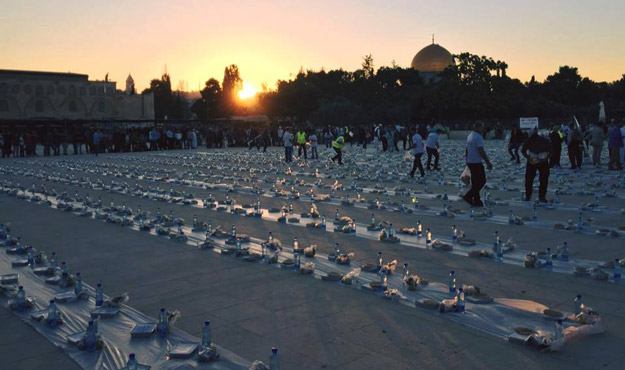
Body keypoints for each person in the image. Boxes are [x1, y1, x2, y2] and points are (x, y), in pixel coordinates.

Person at [462, 121, 493, 207]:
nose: (483, 129)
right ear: (478, 127)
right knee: (482, 181)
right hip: (476, 162)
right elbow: (481, 150)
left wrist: (467, 160)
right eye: (482, 127)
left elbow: (467, 149)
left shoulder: (470, 136)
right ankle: (468, 196)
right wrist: (488, 162)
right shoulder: (478, 137)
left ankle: (477, 200)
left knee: (475, 182)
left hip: (471, 161)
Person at [521, 127, 552, 202]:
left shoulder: (544, 140)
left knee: (542, 180)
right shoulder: (529, 140)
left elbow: (551, 151)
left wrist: (546, 158)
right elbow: (523, 151)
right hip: (533, 161)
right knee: (530, 179)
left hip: (542, 161)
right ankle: (530, 196)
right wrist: (529, 158)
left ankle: (541, 196)